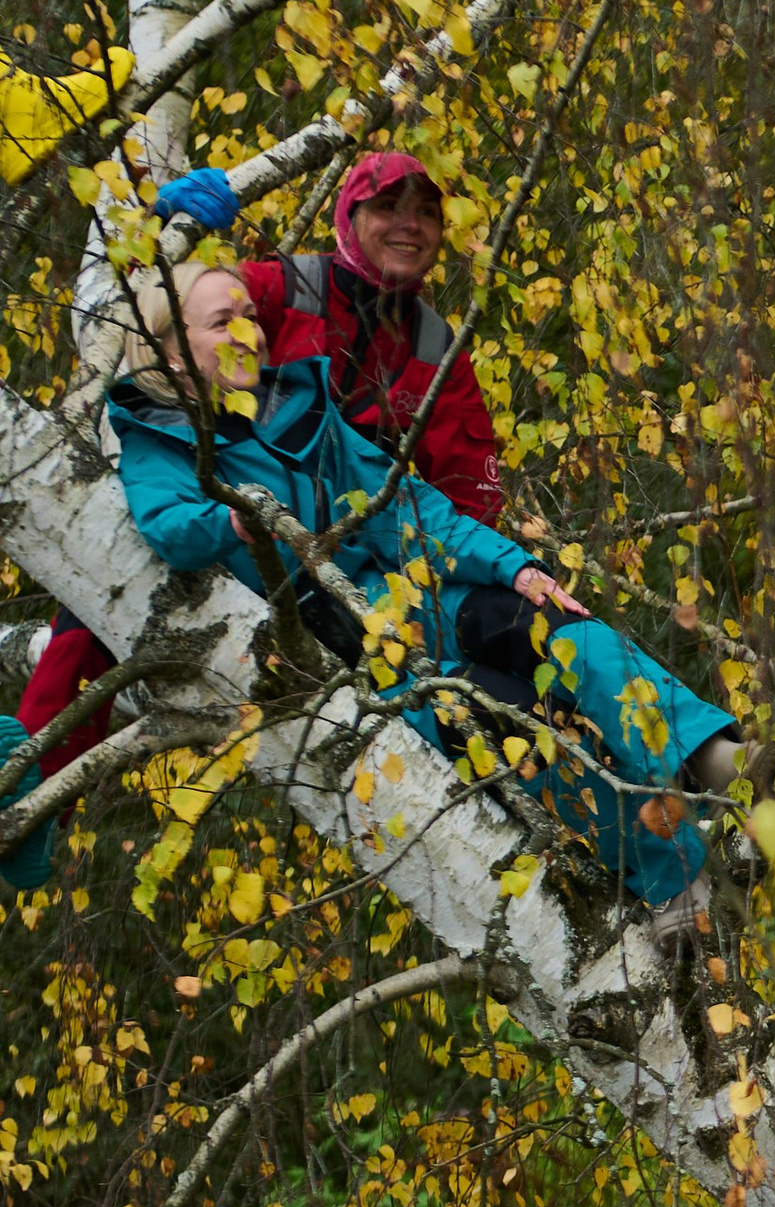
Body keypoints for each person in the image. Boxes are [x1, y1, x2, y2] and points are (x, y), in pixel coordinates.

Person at [99, 263, 745, 920]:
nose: (249, 334)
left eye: (249, 317)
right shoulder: (158, 440)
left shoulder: (299, 401)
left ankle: (713, 757)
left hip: (405, 595)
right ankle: (675, 882)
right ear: (169, 352)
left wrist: (511, 566)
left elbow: (401, 510)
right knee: (519, 722)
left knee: (549, 629)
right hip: (350, 659)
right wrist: (233, 518)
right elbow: (166, 526)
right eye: (221, 322)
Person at [8, 147, 502, 886]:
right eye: (388, 208)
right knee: (99, 605)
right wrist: (167, 222)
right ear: (349, 216)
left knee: (452, 676)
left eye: (427, 212)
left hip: (348, 563)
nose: (410, 225)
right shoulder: (290, 286)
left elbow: (468, 489)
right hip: (222, 506)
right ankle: (30, 793)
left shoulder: (437, 349)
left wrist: (490, 572)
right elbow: (175, 310)